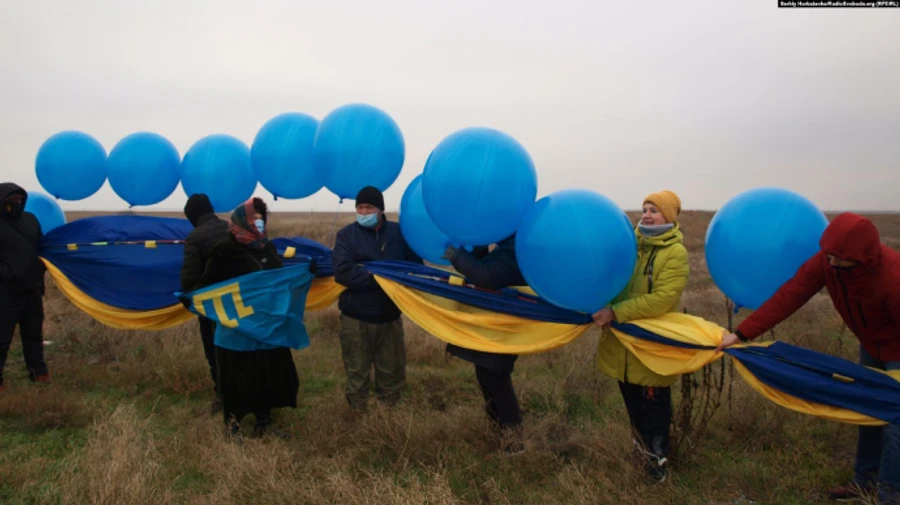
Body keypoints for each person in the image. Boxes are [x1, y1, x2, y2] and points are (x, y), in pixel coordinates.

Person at [718, 212, 900, 503]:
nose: (830, 262)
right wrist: (742, 334)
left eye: (838, 258)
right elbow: (791, 294)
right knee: (868, 411)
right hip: (872, 346)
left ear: (861, 258)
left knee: (896, 419)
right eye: (828, 254)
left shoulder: (892, 277)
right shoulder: (829, 262)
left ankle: (890, 494)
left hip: (897, 352)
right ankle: (863, 482)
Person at [593, 190, 689, 483]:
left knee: (654, 409)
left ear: (669, 217)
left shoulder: (675, 253)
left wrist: (616, 312)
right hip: (621, 345)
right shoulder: (629, 244)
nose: (646, 214)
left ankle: (657, 465)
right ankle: (640, 453)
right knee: (633, 406)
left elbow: (662, 299)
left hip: (650, 347)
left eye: (655, 210)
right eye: (645, 208)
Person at [194, 197, 299, 441]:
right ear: (239, 223)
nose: (259, 225)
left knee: (263, 373)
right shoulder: (223, 251)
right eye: (254, 220)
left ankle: (265, 421)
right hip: (235, 330)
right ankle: (233, 427)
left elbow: (278, 279)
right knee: (234, 378)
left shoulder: (267, 248)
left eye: (262, 221)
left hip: (264, 328)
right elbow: (205, 287)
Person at [332, 186, 423, 410]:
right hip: (356, 319)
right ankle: (357, 422)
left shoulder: (400, 234)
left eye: (369, 207)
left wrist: (370, 272)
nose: (364, 212)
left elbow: (415, 268)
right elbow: (343, 272)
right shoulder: (346, 235)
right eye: (360, 207)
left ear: (380, 210)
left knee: (392, 374)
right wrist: (384, 278)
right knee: (357, 376)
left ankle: (388, 424)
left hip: (390, 317)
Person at [443, 234, 526, 454]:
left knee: (497, 380)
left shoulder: (516, 252)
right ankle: (499, 434)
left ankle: (514, 443)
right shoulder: (508, 248)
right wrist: (478, 244)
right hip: (490, 327)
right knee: (487, 377)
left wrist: (457, 255)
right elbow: (484, 266)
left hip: (500, 330)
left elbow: (487, 275)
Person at [181, 193, 229, 414]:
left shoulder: (195, 237)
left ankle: (223, 397)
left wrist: (187, 299)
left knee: (215, 352)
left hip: (211, 307)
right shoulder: (233, 229)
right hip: (242, 303)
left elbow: (189, 278)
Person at [0, 183, 50, 391]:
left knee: (33, 334)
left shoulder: (30, 220)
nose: (16, 203)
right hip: (5, 292)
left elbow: (41, 248)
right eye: (11, 201)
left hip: (32, 290)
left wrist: (40, 273)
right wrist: (7, 273)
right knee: (2, 336)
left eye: (19, 200)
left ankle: (38, 372)